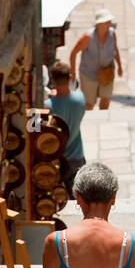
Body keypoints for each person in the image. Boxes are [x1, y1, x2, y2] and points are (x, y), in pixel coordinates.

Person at [69, 10, 123, 111]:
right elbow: (73, 53)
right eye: (106, 22)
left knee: (105, 101)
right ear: (99, 24)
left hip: (107, 72)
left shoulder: (112, 34)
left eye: (109, 22)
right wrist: (73, 72)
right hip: (89, 75)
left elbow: (115, 50)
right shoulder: (87, 37)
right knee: (89, 104)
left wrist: (120, 66)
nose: (109, 24)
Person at [47, 60, 86, 196]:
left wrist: (51, 98)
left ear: (52, 80)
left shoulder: (47, 106)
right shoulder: (80, 100)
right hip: (77, 157)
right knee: (79, 197)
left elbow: (35, 126)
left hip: (57, 159)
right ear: (70, 77)